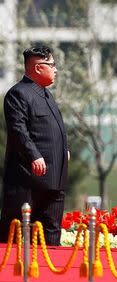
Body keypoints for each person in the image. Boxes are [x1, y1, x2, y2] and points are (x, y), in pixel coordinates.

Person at [0, 45, 69, 246]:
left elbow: (51, 130)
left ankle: (48, 274)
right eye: (52, 65)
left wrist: (64, 151)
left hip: (54, 176)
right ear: (38, 68)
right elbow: (18, 130)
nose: (56, 69)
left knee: (50, 232)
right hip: (28, 179)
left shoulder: (46, 95)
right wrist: (34, 155)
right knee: (16, 232)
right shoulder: (18, 94)